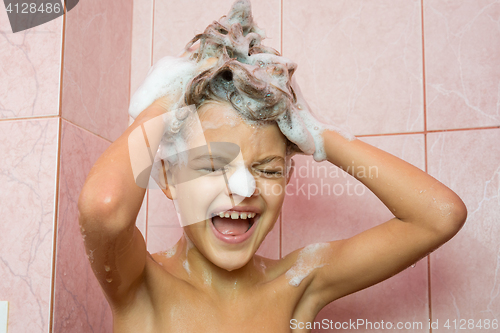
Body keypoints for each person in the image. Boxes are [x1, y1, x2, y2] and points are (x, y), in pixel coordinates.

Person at [78, 1, 467, 332]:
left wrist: (318, 136)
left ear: (287, 176)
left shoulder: (297, 285)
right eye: (214, 166)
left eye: (267, 170)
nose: (245, 188)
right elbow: (105, 207)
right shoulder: (142, 284)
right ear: (165, 176)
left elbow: (439, 215)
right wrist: (171, 96)